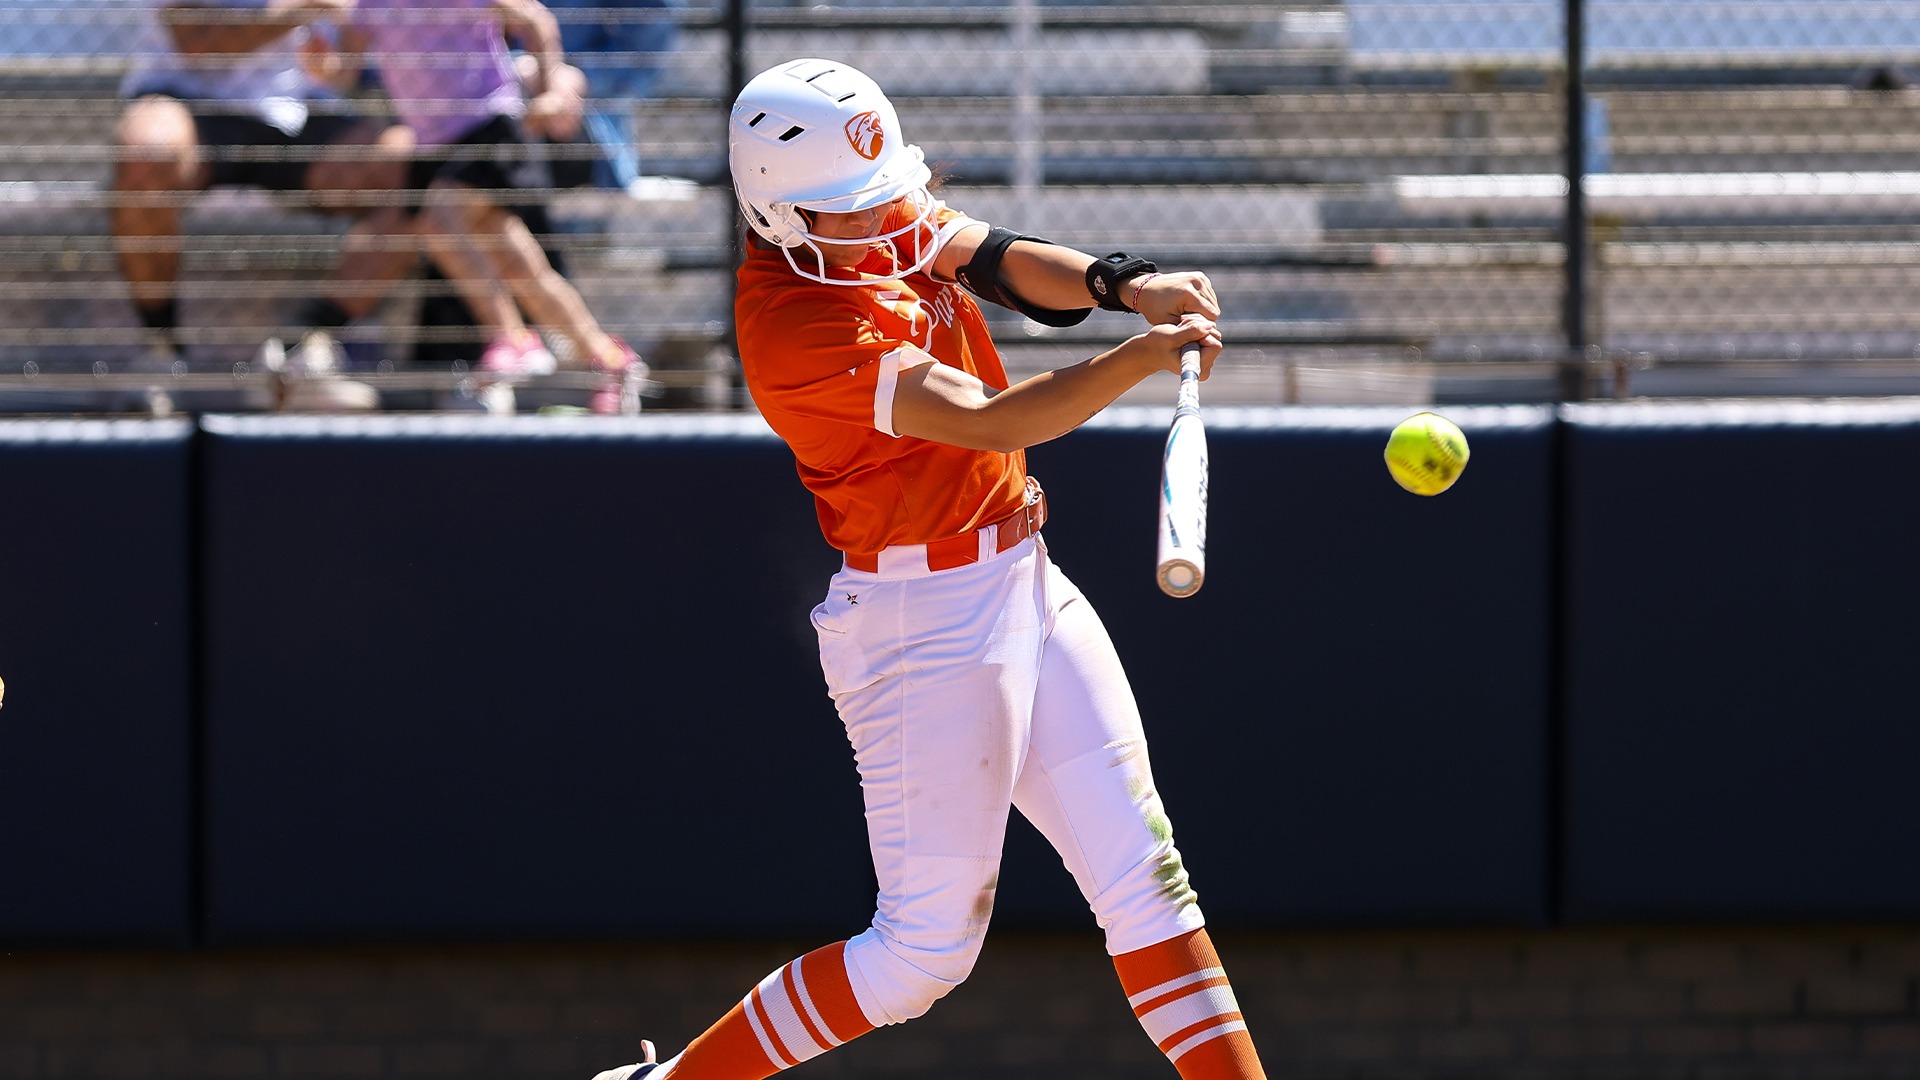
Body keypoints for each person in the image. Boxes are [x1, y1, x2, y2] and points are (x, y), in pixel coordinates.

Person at [590, 58, 1264, 1080]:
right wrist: (1138, 355)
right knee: (920, 955)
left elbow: (990, 257)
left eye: (879, 202)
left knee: (1149, 883)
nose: (880, 225)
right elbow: (994, 419)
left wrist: (1120, 283)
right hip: (922, 622)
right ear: (776, 213)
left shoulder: (859, 213)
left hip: (1025, 576)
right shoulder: (798, 324)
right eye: (850, 213)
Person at [341, 0, 646, 411]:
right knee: (522, 268)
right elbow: (341, 66)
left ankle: (513, 340)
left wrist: (552, 86)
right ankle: (611, 361)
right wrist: (320, 62)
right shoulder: (369, 5)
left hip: (489, 126)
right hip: (433, 144)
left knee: (437, 223)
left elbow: (534, 19)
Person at [114, 0, 417, 380]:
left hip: (300, 111)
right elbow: (200, 43)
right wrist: (305, 8)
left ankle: (305, 347)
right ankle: (161, 352)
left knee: (420, 164)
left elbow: (346, 64)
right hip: (186, 98)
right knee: (149, 150)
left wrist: (342, 57)